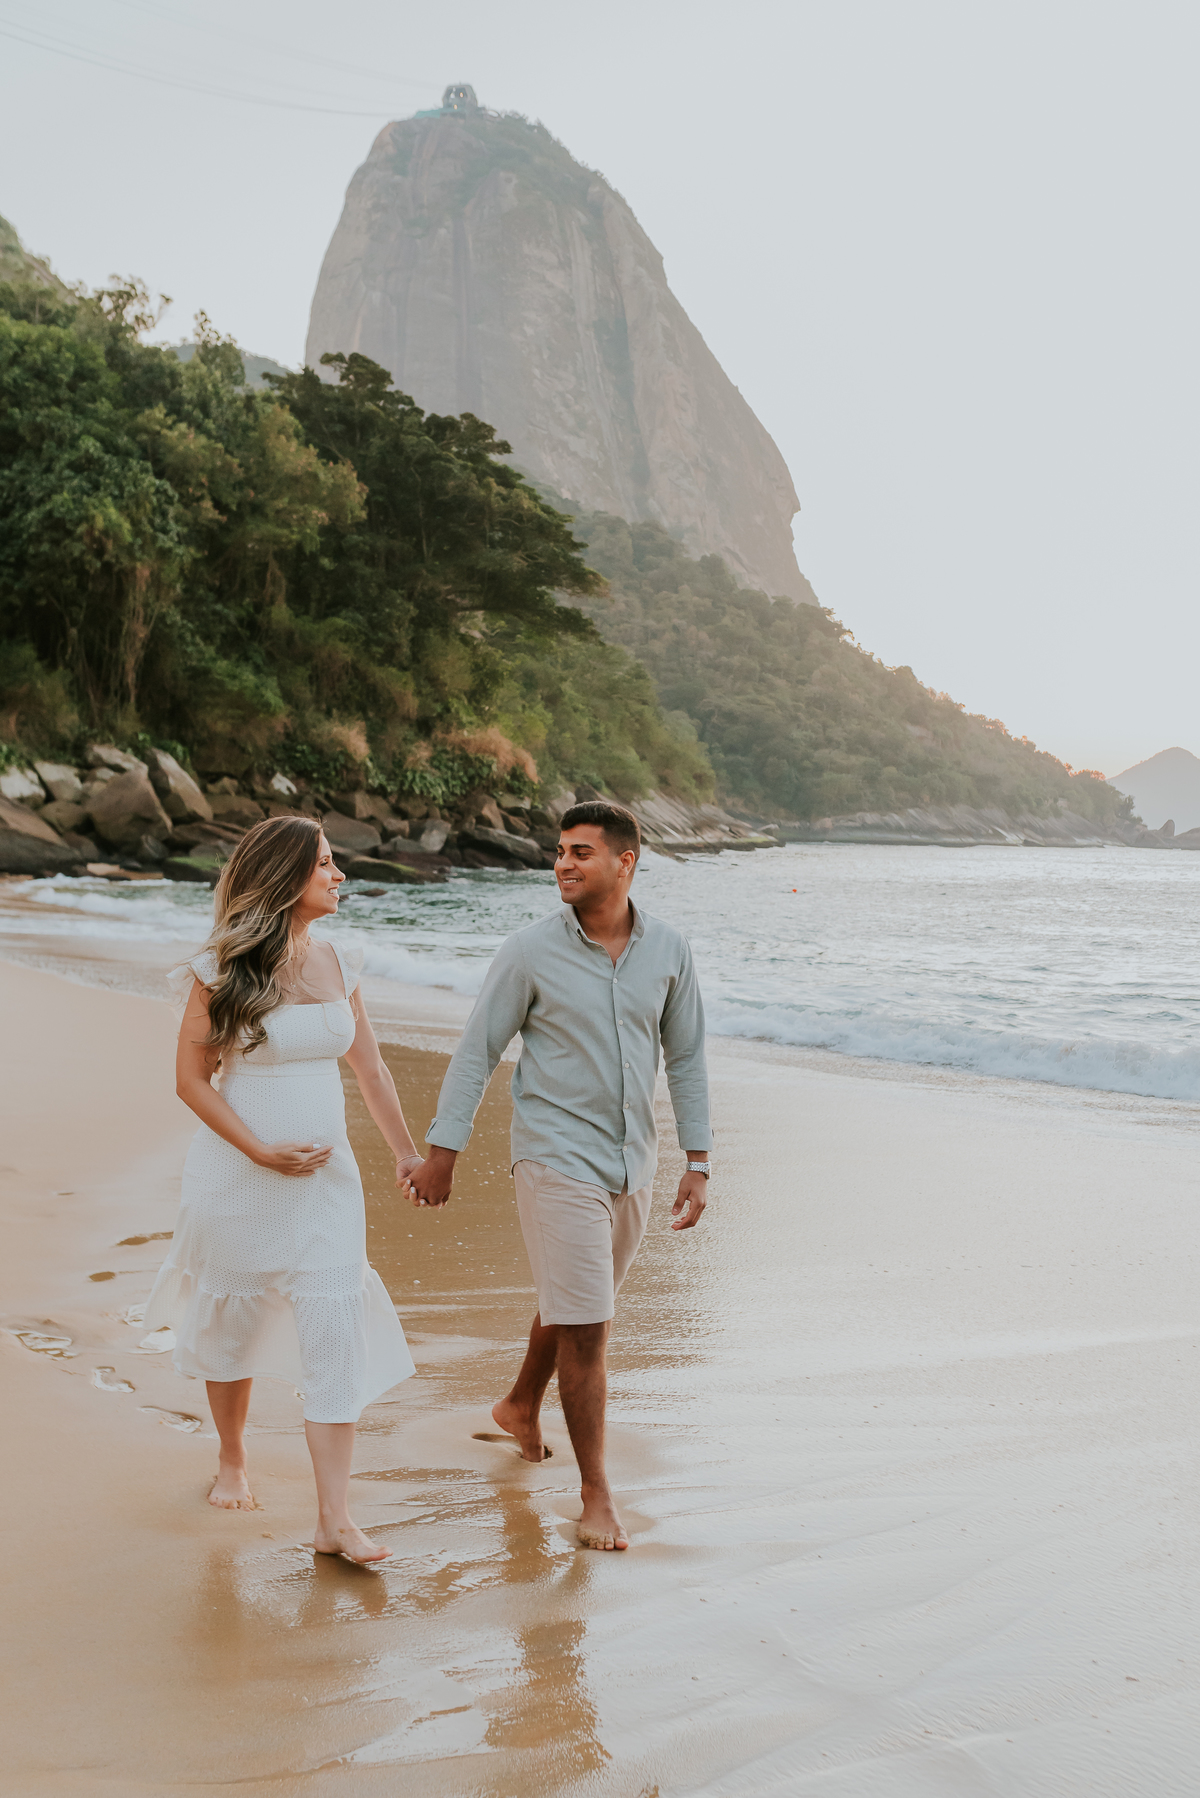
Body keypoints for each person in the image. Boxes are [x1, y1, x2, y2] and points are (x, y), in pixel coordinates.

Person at [404, 799, 712, 1551]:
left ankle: (518, 1404)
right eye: (559, 852)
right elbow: (478, 1050)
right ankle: (596, 1493)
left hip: (631, 1162)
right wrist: (444, 1149)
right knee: (590, 1330)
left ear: (625, 863)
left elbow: (688, 1058)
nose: (563, 865)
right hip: (552, 1156)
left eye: (580, 853)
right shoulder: (528, 951)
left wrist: (697, 1160)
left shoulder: (669, 951)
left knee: (577, 1302)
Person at [145, 815, 422, 1564]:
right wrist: (260, 1149)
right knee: (233, 1321)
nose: (339, 876)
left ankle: (335, 1517)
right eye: (326, 864)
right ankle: (232, 1456)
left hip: (327, 1183)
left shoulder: (343, 959)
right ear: (286, 874)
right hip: (238, 1174)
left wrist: (405, 1154)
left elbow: (371, 1070)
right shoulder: (219, 968)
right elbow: (190, 1082)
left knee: (333, 1328)